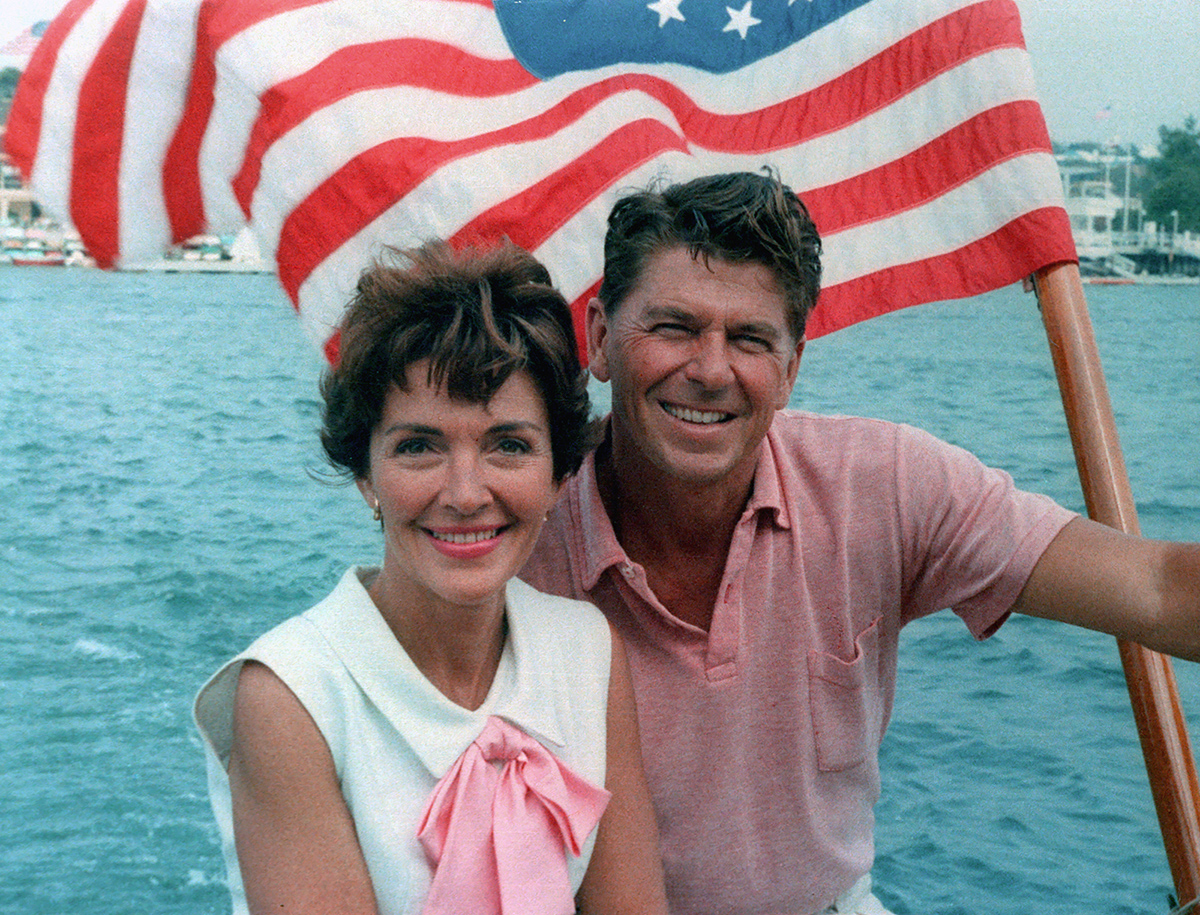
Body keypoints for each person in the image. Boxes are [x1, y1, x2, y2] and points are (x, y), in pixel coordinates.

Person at [520, 170, 1200, 915]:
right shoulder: (517, 536)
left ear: (791, 369)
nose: (710, 370)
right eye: (674, 327)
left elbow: (1159, 588)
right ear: (600, 339)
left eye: (750, 339)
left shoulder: (880, 484)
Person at [195, 240, 669, 915]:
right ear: (365, 475)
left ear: (560, 476)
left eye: (509, 445)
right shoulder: (292, 696)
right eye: (419, 446)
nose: (466, 493)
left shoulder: (588, 651)